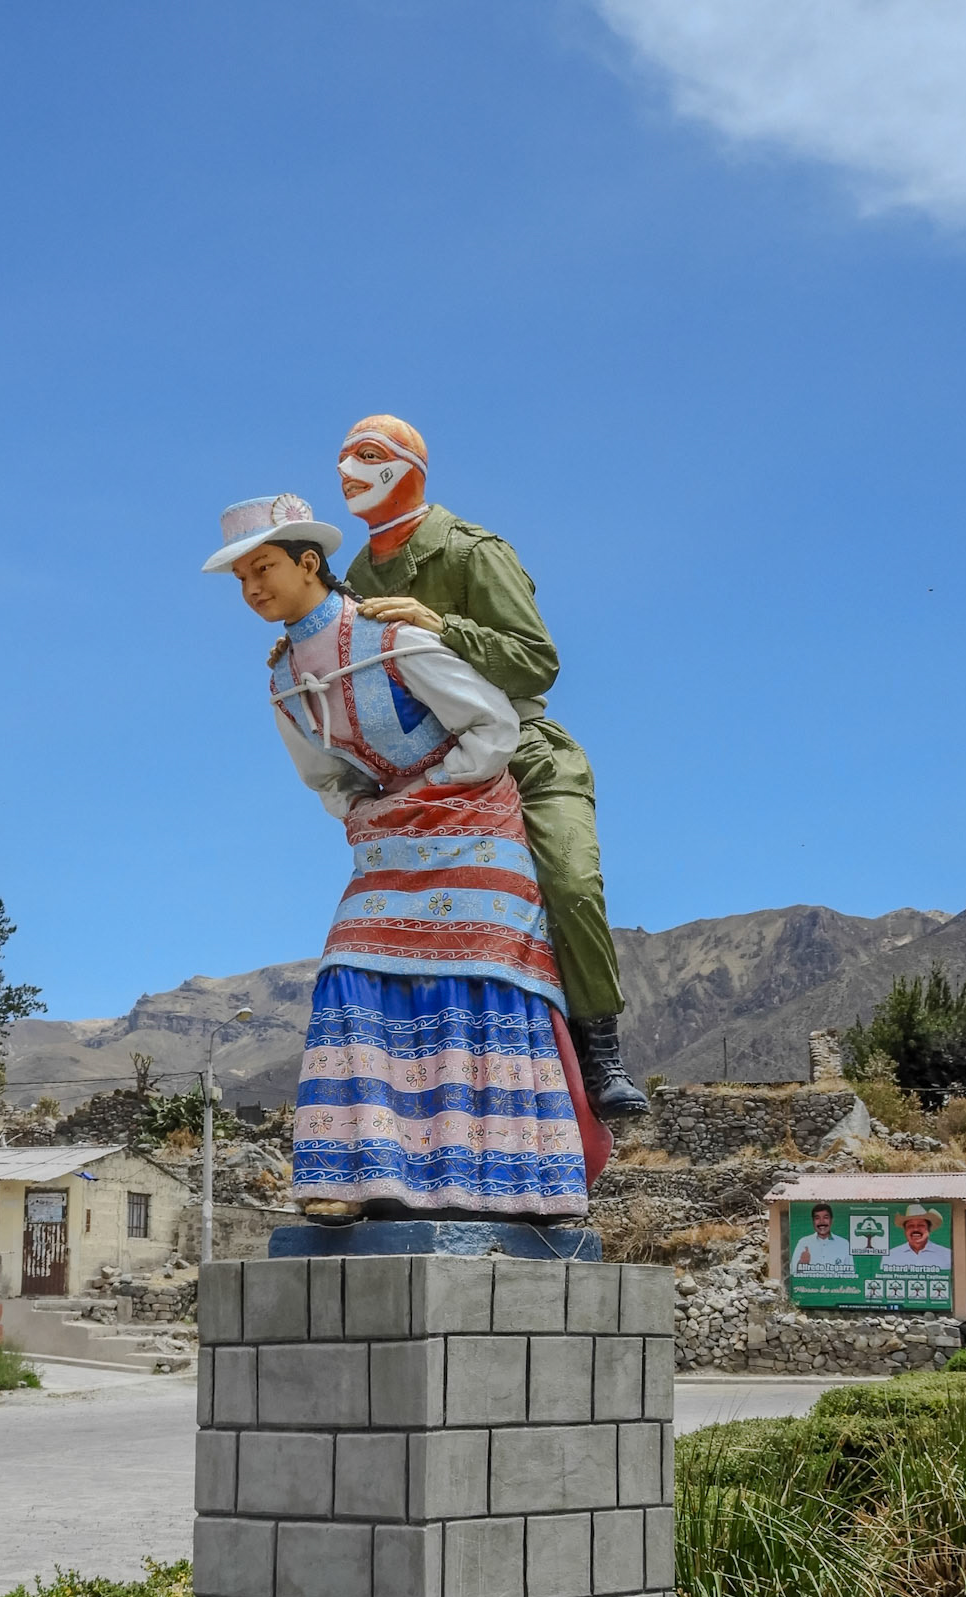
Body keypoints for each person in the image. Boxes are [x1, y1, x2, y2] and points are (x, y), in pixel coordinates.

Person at [205, 492, 610, 1218]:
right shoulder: (283, 679)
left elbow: (490, 725)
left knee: (480, 972)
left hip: (476, 825)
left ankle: (526, 1182)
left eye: (262, 568)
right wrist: (364, 809)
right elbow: (323, 776)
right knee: (349, 966)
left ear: (308, 563)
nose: (252, 590)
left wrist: (439, 788)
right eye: (240, 581)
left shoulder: (389, 636)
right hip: (388, 841)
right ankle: (354, 1178)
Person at [323, 414, 648, 1122]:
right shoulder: (353, 577)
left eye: (367, 456)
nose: (347, 472)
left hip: (524, 749)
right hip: (430, 770)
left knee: (572, 880)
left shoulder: (472, 552)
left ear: (408, 467)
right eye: (342, 459)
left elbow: (538, 662)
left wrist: (442, 626)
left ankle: (601, 1051)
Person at [880, 1205, 952, 1270]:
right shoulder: (891, 1256)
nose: (916, 1229)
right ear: (905, 1230)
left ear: (929, 1229)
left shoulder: (946, 1254)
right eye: (910, 1226)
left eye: (921, 1225)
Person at [791, 1202, 854, 1275]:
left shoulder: (844, 1244)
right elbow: (793, 1273)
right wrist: (802, 1263)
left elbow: (850, 1275)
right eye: (817, 1218)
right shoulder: (803, 1243)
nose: (821, 1222)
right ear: (813, 1221)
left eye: (826, 1217)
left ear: (831, 1220)